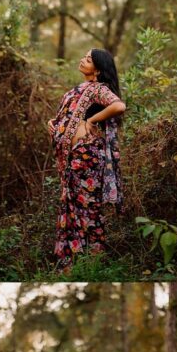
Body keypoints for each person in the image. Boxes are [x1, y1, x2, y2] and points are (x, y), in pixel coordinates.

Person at [47, 49, 127, 268]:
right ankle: (71, 262)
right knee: (71, 205)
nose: (83, 59)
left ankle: (93, 260)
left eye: (89, 59)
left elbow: (119, 106)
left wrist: (92, 121)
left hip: (86, 156)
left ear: (98, 70)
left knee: (87, 206)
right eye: (83, 56)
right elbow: (69, 116)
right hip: (71, 157)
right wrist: (55, 124)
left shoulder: (98, 89)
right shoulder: (78, 90)